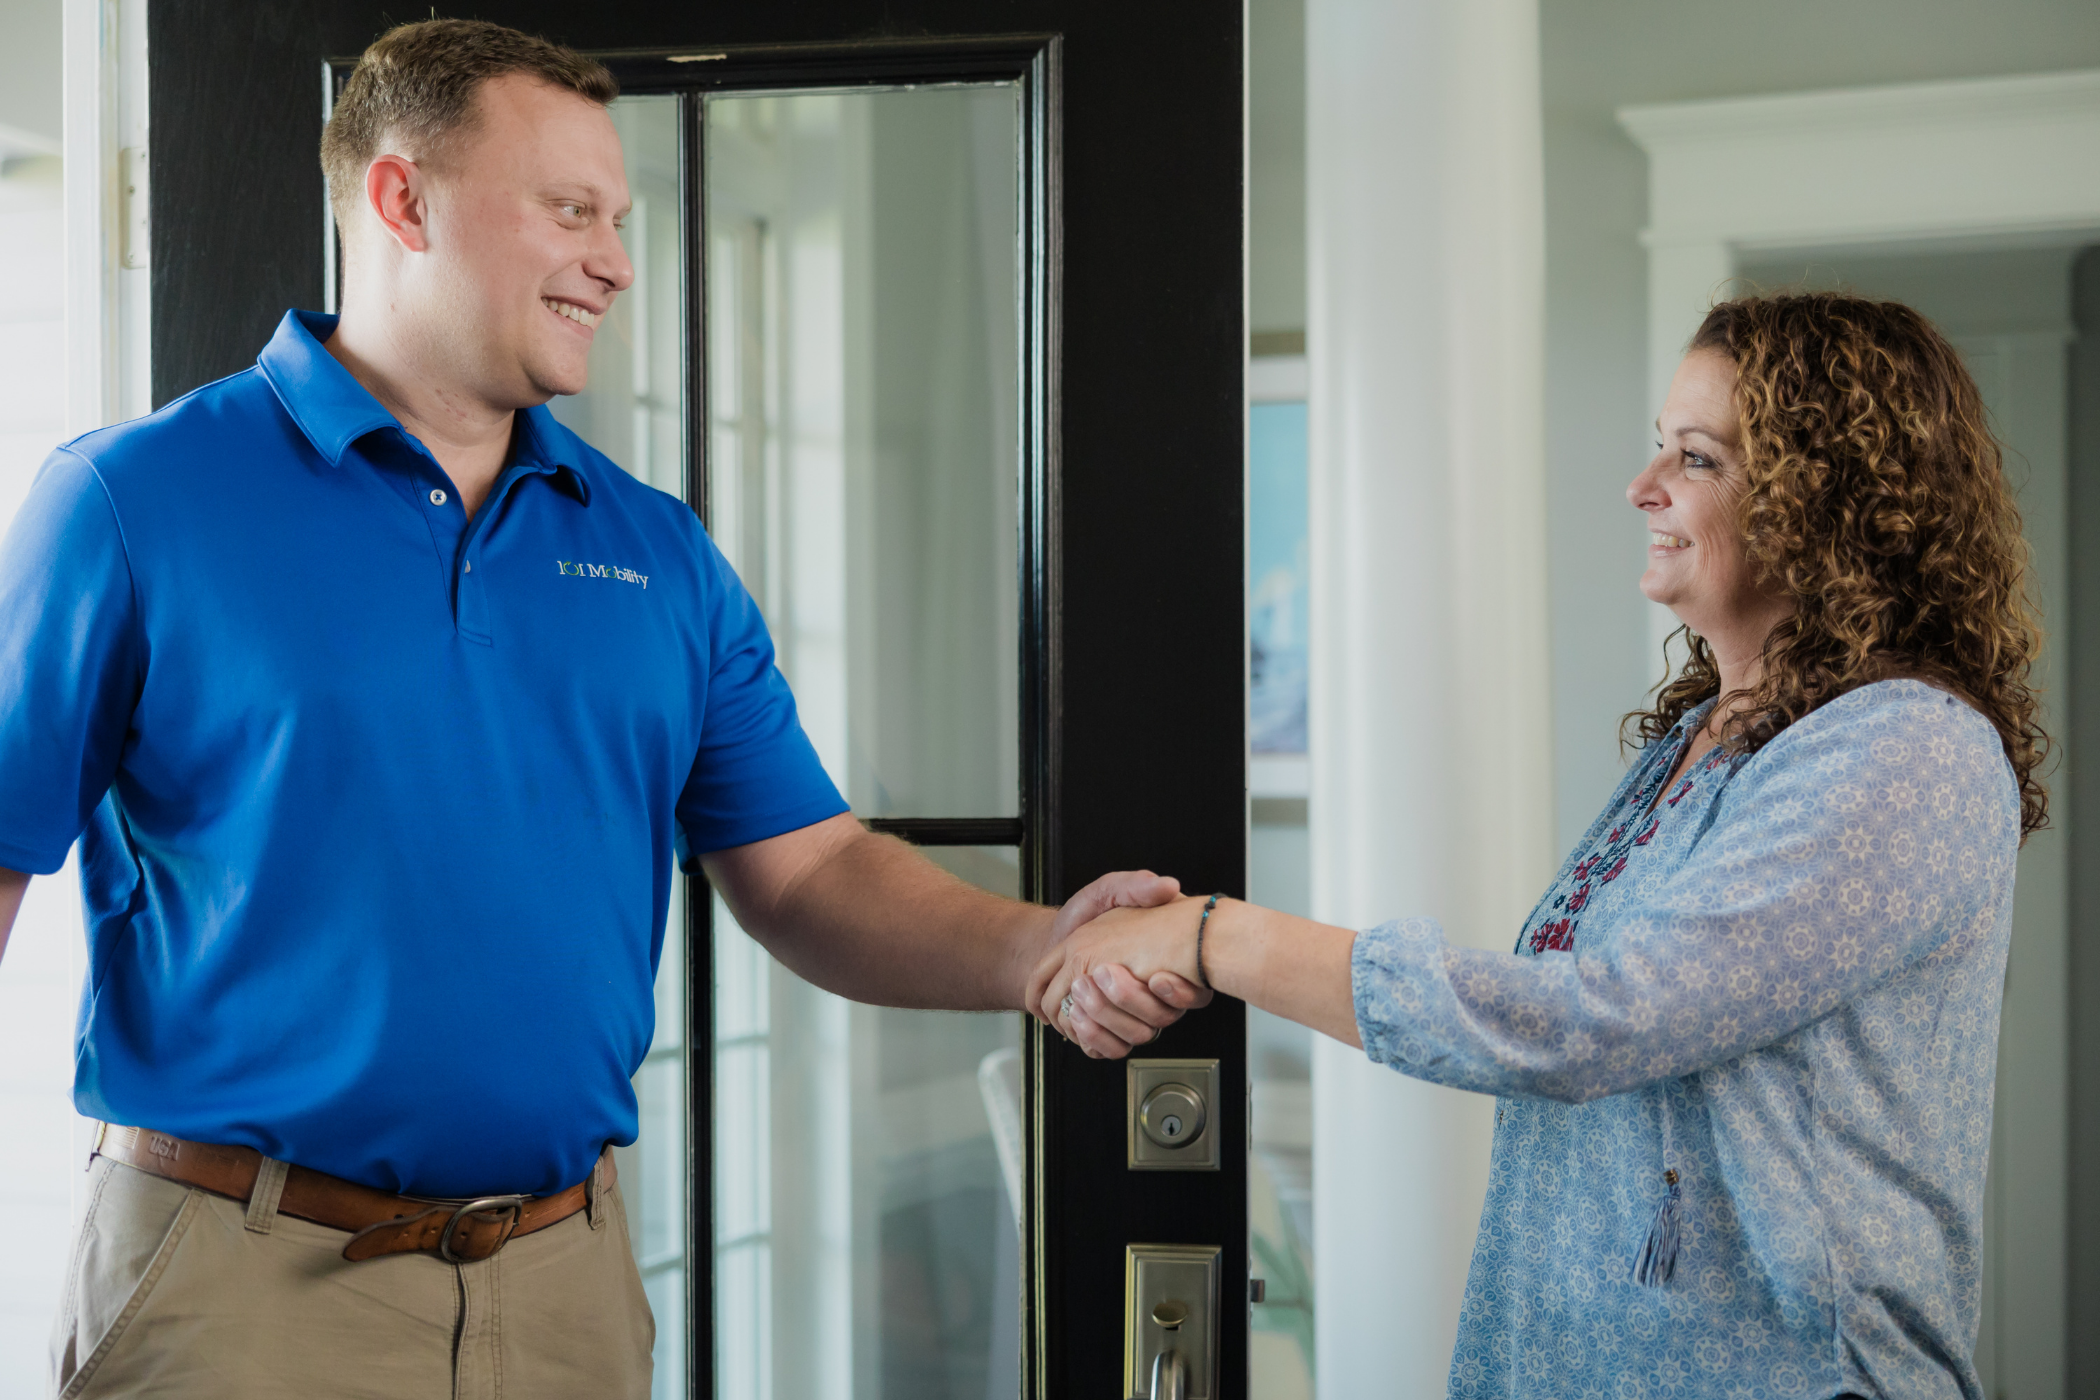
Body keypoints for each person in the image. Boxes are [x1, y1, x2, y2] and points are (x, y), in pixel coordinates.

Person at [0, 20, 1182, 1399]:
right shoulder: (134, 505)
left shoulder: (658, 552)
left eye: (617, 218)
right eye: (570, 211)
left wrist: (1039, 951)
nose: (617, 261)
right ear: (402, 200)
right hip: (239, 1292)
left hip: (568, 1289)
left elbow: (810, 869)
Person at [1035, 292, 2046, 1400]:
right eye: (1661, 444)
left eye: (1696, 457)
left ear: (1831, 499)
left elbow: (1589, 1018)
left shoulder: (1908, 750)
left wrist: (1213, 934)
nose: (1642, 485)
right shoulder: (1699, 741)